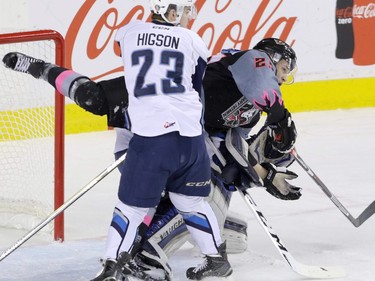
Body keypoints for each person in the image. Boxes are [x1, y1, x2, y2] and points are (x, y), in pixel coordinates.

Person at [3, 31, 300, 281]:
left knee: (219, 207)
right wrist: (277, 115)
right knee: (95, 100)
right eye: (286, 67)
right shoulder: (251, 61)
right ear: (273, 58)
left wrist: (268, 172)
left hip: (181, 142)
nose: (287, 77)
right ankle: (144, 257)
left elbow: (232, 150)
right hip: (149, 126)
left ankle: (165, 247)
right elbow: (261, 81)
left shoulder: (249, 111)